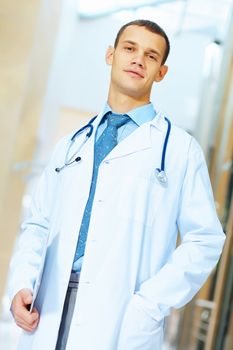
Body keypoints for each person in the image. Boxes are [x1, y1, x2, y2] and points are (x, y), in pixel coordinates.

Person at [9, 19, 225, 350]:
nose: (138, 59)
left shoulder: (180, 150)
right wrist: (22, 283)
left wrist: (149, 304)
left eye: (151, 56)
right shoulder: (71, 143)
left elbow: (205, 239)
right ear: (110, 55)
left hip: (121, 314)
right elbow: (38, 223)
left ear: (162, 73)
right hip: (47, 303)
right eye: (129, 48)